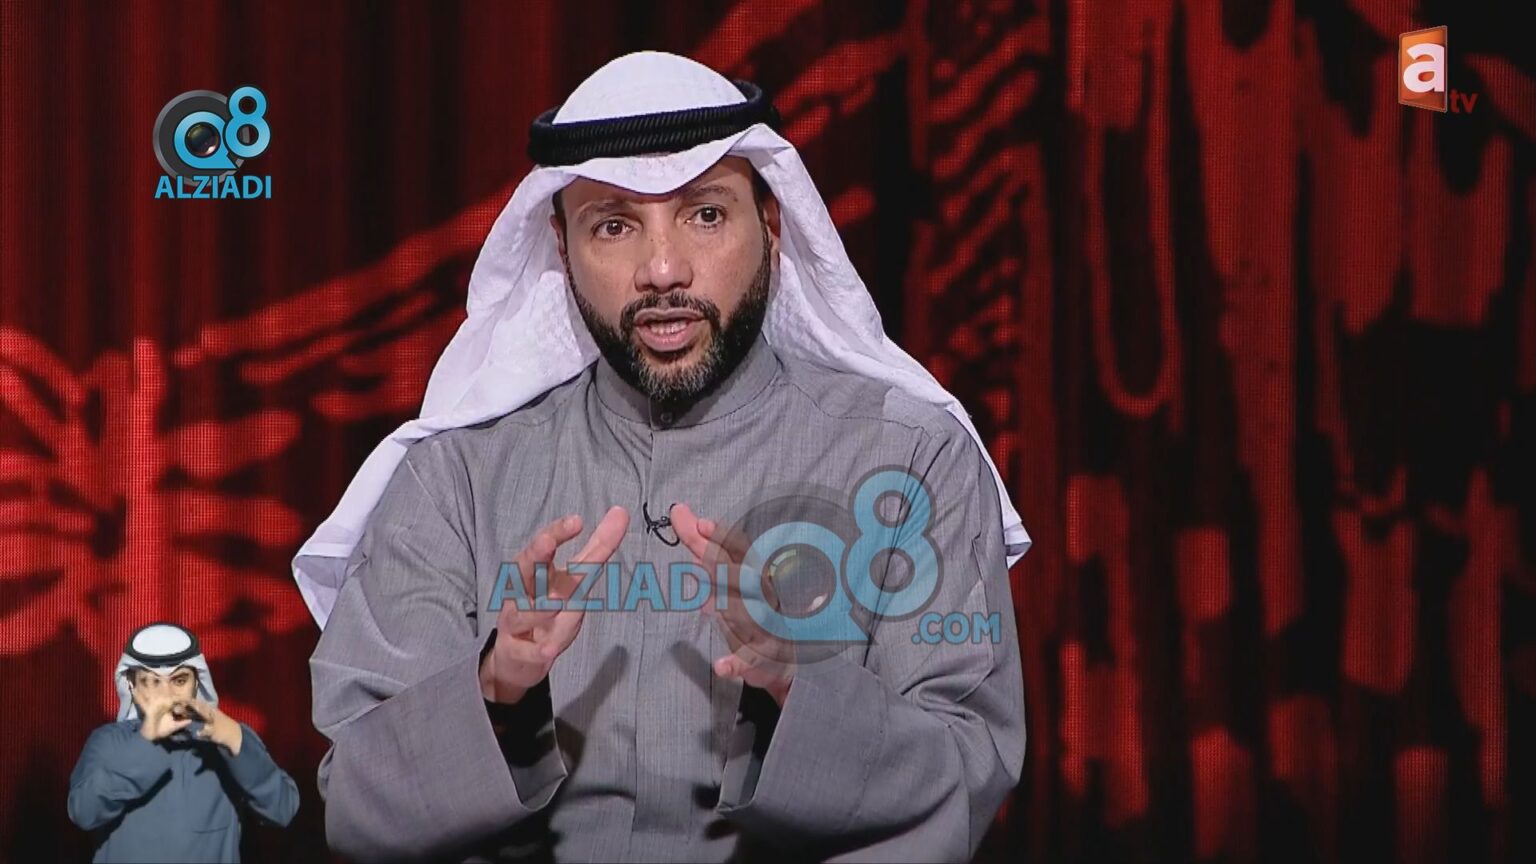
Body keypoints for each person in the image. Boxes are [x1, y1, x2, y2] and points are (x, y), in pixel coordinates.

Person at [304, 51, 1030, 862]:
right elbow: (359, 806)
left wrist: (800, 686)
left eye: (705, 215)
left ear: (772, 224)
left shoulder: (912, 457)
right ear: (561, 246)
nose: (662, 270)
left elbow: (969, 766)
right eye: (614, 226)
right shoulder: (456, 477)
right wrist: (496, 689)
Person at [66, 622, 299, 862]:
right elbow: (84, 812)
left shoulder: (226, 739)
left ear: (196, 683)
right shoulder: (108, 741)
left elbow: (282, 810)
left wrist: (236, 740)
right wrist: (146, 741)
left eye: (178, 681)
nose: (166, 695)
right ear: (132, 686)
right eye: (152, 682)